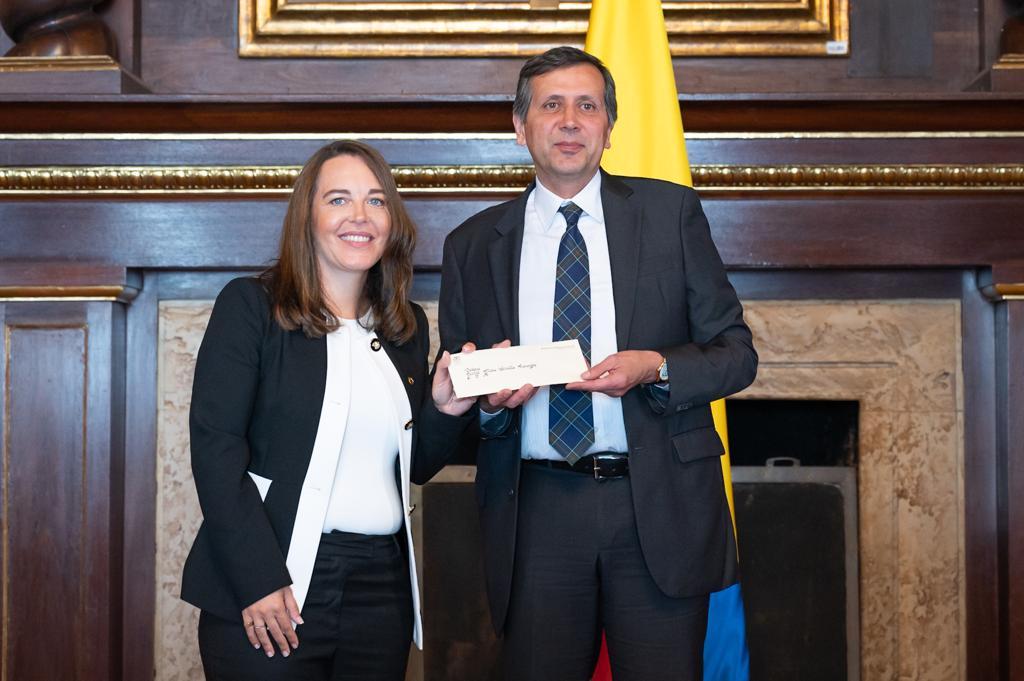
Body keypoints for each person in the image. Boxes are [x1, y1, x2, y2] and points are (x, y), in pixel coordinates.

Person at [437, 47, 758, 681]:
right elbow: (466, 386)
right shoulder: (473, 245)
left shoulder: (670, 215)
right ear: (520, 124)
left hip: (657, 503)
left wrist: (656, 367)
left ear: (609, 126)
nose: (569, 121)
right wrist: (494, 405)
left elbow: (736, 355)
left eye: (588, 106)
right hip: (537, 512)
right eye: (550, 105)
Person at [181, 140, 475, 681]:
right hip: (273, 581)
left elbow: (415, 468)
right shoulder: (251, 306)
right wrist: (259, 579)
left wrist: (446, 409)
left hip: (380, 591)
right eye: (338, 200)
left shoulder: (405, 326)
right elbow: (215, 448)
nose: (359, 217)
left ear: (392, 221)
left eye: (376, 201)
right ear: (307, 217)